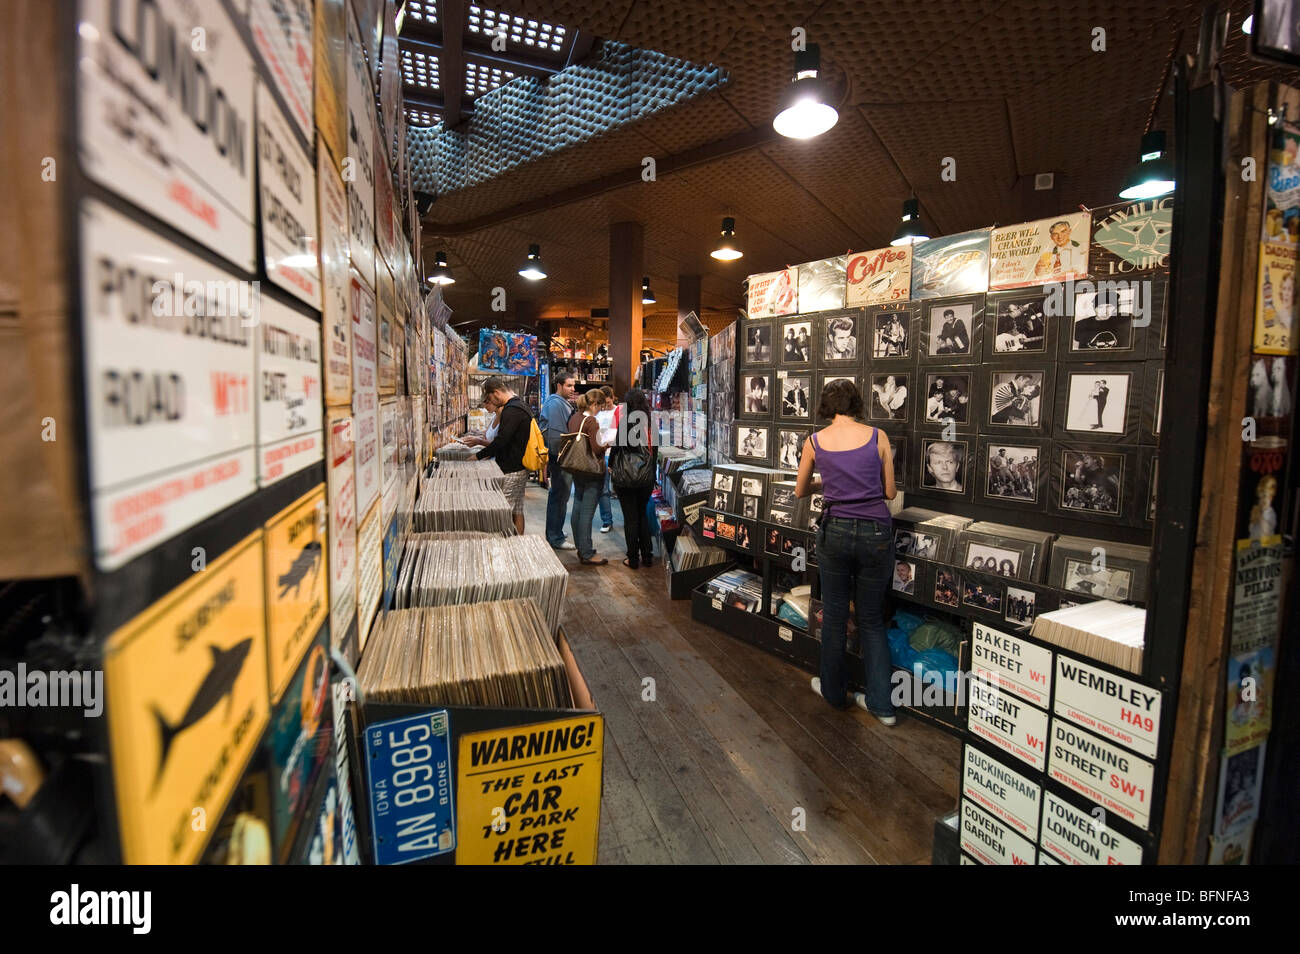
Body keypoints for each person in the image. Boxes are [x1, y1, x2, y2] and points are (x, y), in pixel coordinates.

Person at [795, 378, 898, 726]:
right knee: (871, 618)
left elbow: (799, 491)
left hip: (835, 530)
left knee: (835, 616)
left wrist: (825, 482)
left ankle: (834, 692)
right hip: (876, 532)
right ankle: (882, 706)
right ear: (856, 403)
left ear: (826, 406)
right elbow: (890, 491)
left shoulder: (814, 441)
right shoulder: (877, 436)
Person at [473, 377, 532, 535]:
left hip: (512, 469)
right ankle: (517, 544)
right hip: (518, 467)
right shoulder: (518, 406)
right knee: (516, 509)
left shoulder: (512, 410)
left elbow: (502, 441)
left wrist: (478, 456)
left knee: (503, 513)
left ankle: (507, 548)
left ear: (496, 393)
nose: (489, 402)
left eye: (489, 398)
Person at [612, 388, 659, 569]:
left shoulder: (626, 423)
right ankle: (647, 556)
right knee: (642, 516)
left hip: (626, 477)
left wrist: (610, 466)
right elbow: (655, 452)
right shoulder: (650, 424)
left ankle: (632, 559)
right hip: (646, 477)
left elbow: (617, 448)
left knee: (630, 519)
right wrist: (652, 473)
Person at [567, 389, 610, 565]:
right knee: (587, 512)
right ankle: (586, 552)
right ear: (594, 404)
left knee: (578, 505)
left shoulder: (575, 417)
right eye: (601, 406)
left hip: (577, 468)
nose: (601, 409)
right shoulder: (591, 421)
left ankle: (580, 546)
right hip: (592, 470)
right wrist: (606, 444)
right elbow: (596, 448)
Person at [543, 373, 577, 549]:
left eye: (573, 385)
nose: (573, 389)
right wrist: (564, 458)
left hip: (561, 456)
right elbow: (556, 435)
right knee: (559, 496)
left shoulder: (559, 402)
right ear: (559, 385)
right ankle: (555, 537)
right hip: (560, 457)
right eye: (569, 386)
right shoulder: (556, 403)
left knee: (559, 496)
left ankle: (554, 532)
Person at [595, 385, 616, 533]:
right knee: (603, 489)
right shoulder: (597, 414)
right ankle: (607, 520)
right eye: (604, 403)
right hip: (601, 454)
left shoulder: (618, 411)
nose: (606, 406)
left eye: (609, 402)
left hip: (614, 453)